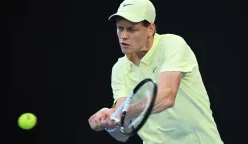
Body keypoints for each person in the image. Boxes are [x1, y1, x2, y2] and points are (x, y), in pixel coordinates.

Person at [88, 0, 224, 143]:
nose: (123, 36)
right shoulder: (119, 68)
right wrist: (108, 124)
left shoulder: (172, 45)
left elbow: (166, 97)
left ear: (151, 29)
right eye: (120, 28)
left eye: (131, 29)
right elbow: (123, 132)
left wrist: (118, 114)